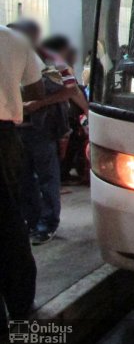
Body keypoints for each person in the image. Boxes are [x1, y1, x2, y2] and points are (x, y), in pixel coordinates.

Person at [8, 21, 83, 245]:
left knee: (47, 176)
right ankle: (30, 221)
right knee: (23, 179)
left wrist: (39, 104)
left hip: (42, 128)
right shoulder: (11, 59)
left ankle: (48, 223)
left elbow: (71, 89)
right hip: (17, 127)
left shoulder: (50, 59)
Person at [0, 24, 44, 325]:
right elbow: (36, 89)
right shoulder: (15, 38)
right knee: (9, 218)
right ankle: (20, 303)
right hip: (5, 139)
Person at [41, 35, 89, 184]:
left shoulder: (40, 60)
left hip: (40, 117)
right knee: (59, 152)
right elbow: (73, 90)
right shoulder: (60, 65)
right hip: (56, 116)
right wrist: (87, 110)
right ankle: (59, 179)